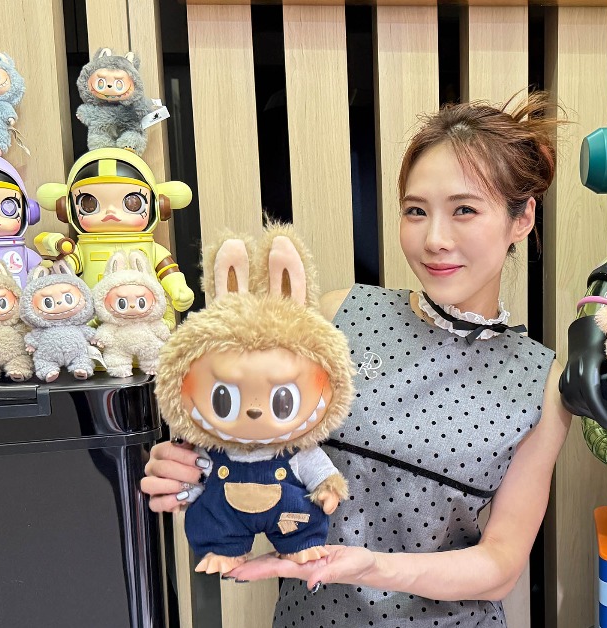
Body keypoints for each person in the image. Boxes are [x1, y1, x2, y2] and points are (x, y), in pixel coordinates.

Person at [142, 92, 573, 627]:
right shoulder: (338, 315)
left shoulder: (540, 382)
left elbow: (499, 565)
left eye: (464, 210)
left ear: (522, 217)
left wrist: (371, 566)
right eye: (416, 211)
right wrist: (191, 466)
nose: (435, 239)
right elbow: (252, 437)